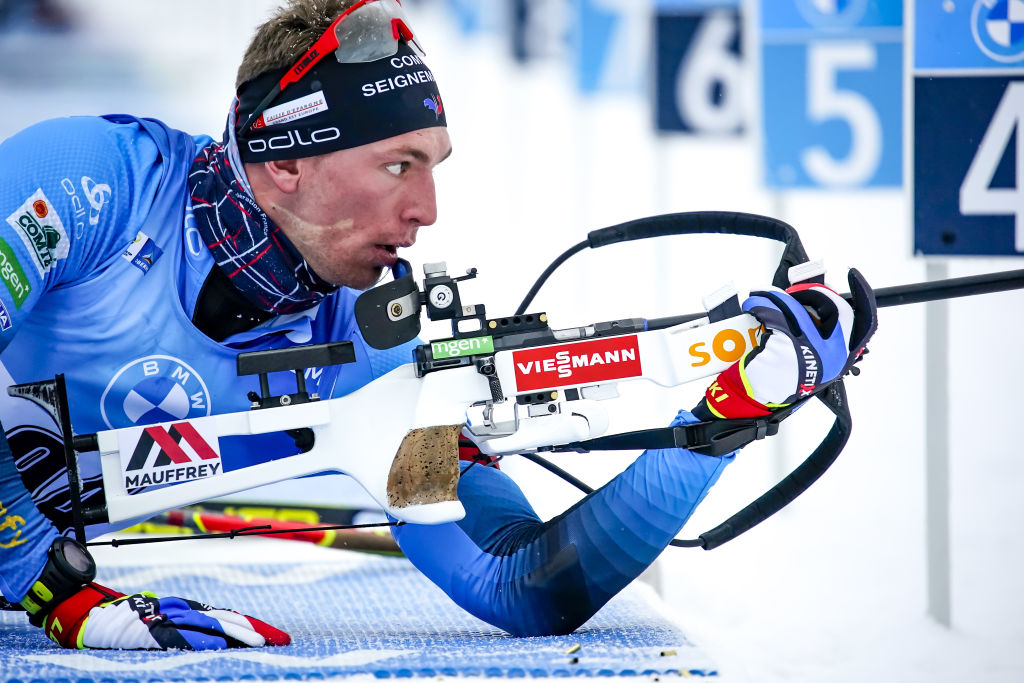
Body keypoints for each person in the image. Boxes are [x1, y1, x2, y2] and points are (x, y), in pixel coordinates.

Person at [0, 0, 871, 650]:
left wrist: (716, 423)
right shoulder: (90, 183)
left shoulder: (380, 348)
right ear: (287, 157)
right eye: (396, 164)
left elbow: (523, 583)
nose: (426, 210)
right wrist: (48, 583)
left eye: (434, 167)